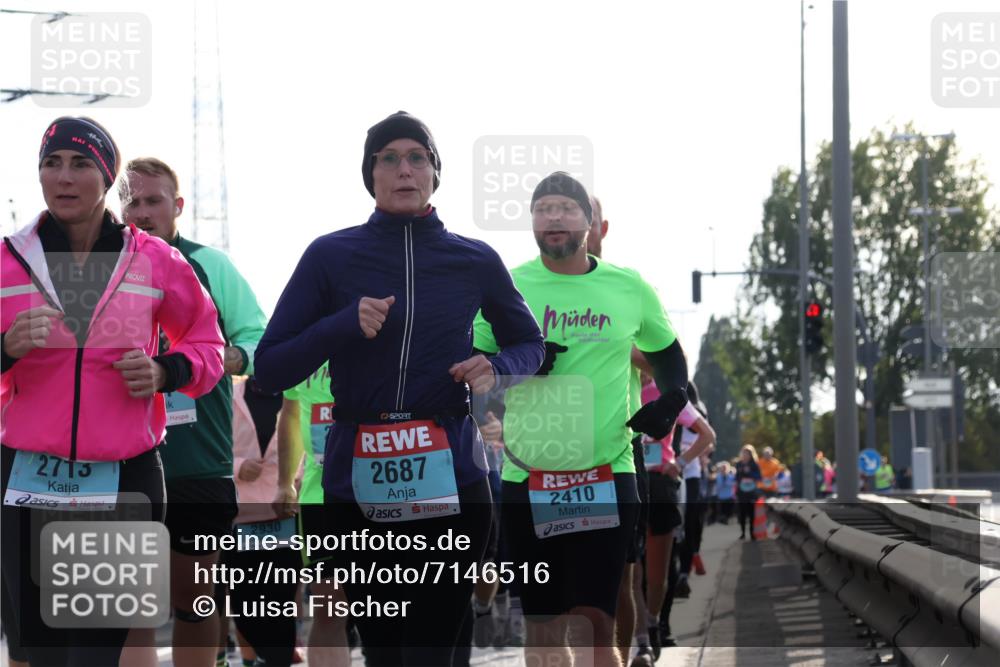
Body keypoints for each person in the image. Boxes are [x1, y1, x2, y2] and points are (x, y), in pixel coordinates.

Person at [255, 111, 545, 666]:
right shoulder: (330, 254)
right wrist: (341, 323)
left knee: (436, 648)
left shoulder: (474, 258)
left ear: (435, 173)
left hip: (453, 480)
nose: (403, 169)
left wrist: (496, 365)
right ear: (370, 175)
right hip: (357, 490)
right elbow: (269, 369)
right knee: (387, 653)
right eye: (388, 158)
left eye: (417, 157)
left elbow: (530, 343)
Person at [1, 116, 224, 667]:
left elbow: (209, 346)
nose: (64, 177)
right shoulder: (8, 258)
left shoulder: (156, 259)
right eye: (51, 163)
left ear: (108, 178)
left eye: (81, 164)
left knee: (96, 653)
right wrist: (4, 349)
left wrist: (166, 372)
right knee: (40, 653)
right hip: (25, 479)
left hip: (122, 479)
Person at [473, 172, 690, 667]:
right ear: (532, 221)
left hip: (607, 473)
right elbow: (473, 362)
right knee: (544, 626)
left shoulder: (629, 286)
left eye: (567, 209)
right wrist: (519, 362)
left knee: (596, 621)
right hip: (527, 478)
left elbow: (669, 355)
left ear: (590, 224)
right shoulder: (508, 285)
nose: (554, 217)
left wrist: (671, 399)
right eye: (543, 208)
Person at [121, 157, 268, 667]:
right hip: (123, 459)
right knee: (129, 607)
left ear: (176, 206)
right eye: (132, 202)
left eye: (153, 201)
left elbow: (258, 335)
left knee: (196, 602)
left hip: (198, 461)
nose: (142, 212)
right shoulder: (102, 268)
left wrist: (232, 355)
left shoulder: (210, 265)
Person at [214, 376, 299, 667]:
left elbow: (309, 445)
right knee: (244, 603)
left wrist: (294, 483)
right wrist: (238, 466)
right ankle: (261, 654)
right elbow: (212, 445)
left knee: (282, 599)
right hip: (240, 516)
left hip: (284, 512)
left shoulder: (295, 393)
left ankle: (278, 659)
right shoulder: (230, 395)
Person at [272, 361, 351, 667]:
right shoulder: (303, 346)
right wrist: (284, 482)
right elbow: (290, 414)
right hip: (319, 499)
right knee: (330, 609)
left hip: (381, 493)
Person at [638, 378, 714, 664]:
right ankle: (642, 638)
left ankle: (657, 623)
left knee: (659, 571)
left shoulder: (669, 391)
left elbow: (707, 435)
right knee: (631, 569)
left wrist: (679, 463)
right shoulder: (615, 380)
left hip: (661, 484)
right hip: (625, 482)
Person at [675, 382, 713, 598]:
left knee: (690, 523)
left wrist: (690, 456)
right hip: (666, 475)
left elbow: (709, 440)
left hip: (690, 475)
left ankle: (683, 574)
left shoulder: (695, 412)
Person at [735, 445, 762, 539]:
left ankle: (752, 532)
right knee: (742, 513)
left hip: (751, 492)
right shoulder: (738, 464)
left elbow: (759, 477)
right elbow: (736, 478)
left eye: (747, 453)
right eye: (744, 453)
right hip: (742, 492)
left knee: (751, 513)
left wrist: (749, 473)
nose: (745, 455)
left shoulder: (754, 464)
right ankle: (742, 533)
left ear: (751, 454)